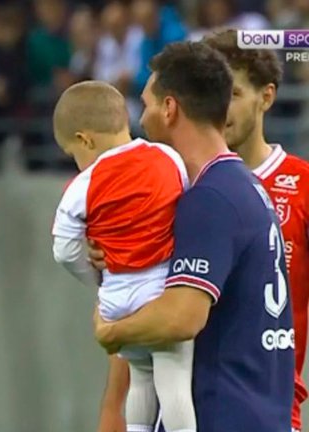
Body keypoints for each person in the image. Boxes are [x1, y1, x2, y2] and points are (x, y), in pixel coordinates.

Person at [97, 30, 309, 432]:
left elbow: (181, 317)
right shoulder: (240, 188)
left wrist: (110, 330)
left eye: (146, 105)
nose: (141, 119)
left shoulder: (216, 196)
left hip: (225, 408)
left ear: (170, 108)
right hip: (255, 406)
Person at [51, 81, 194, 432]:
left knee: (140, 378)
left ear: (86, 140)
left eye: (73, 153)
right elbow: (187, 210)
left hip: (117, 298)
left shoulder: (83, 185)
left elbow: (63, 250)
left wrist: (96, 277)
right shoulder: (167, 157)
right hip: (160, 290)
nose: (77, 162)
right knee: (172, 380)